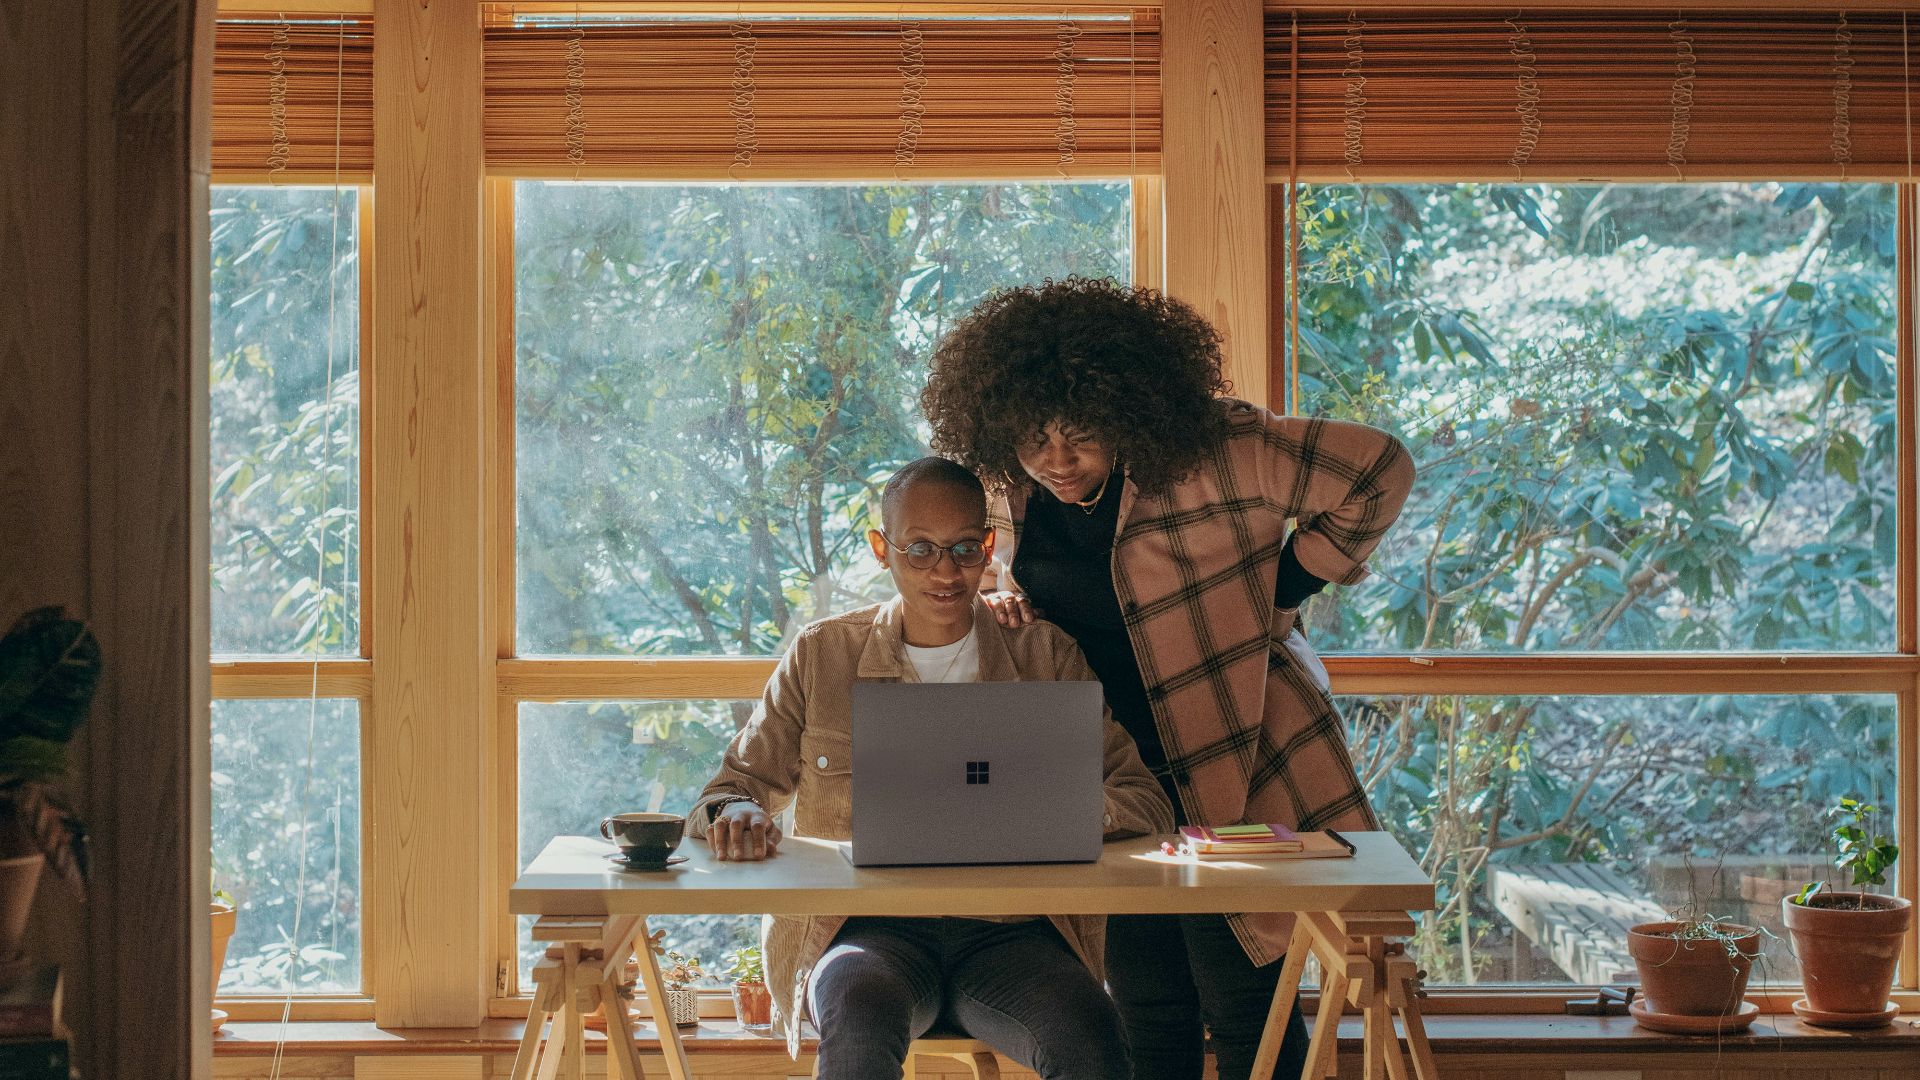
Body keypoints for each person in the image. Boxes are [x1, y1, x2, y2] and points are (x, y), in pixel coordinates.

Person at [919, 277, 1415, 1080]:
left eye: (1080, 434)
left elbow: (1380, 469)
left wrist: (1283, 587)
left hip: (1237, 750)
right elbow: (1002, 566)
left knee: (1247, 990)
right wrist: (1001, 591)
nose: (1057, 461)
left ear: (1127, 409)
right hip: (1113, 777)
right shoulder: (1013, 492)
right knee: (1143, 1001)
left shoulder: (1218, 452)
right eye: (1032, 438)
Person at [687, 456, 1175, 1080]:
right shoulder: (822, 655)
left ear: (989, 547)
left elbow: (1143, 798)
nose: (946, 571)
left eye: (966, 548)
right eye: (919, 549)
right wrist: (738, 810)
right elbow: (730, 789)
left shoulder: (1043, 655)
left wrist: (1061, 812)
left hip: (1015, 934)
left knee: (1091, 1036)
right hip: (867, 932)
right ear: (880, 549)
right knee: (857, 1019)